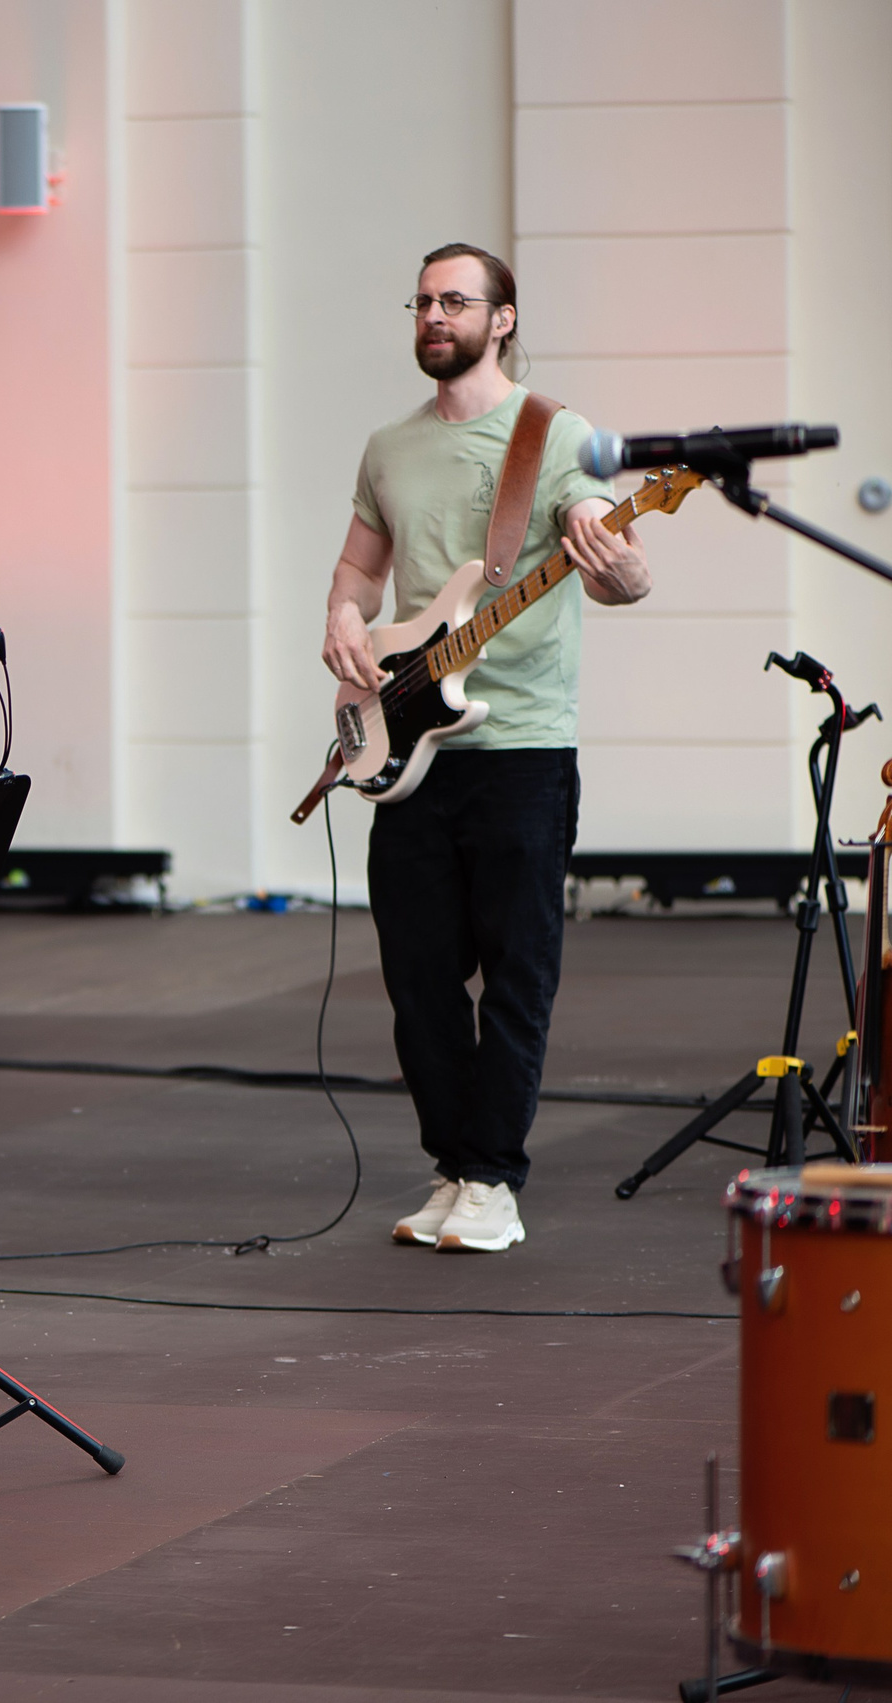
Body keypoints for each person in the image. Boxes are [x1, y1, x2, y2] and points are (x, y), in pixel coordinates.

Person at [321, 242, 652, 1254]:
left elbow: (609, 555)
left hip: (519, 748)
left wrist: (615, 564)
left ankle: (492, 1179)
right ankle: (452, 1165)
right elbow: (359, 571)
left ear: (502, 318)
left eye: (454, 301)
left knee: (515, 972)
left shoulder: (556, 434)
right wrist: (341, 618)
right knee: (417, 979)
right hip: (408, 746)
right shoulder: (388, 446)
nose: (433, 315)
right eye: (422, 300)